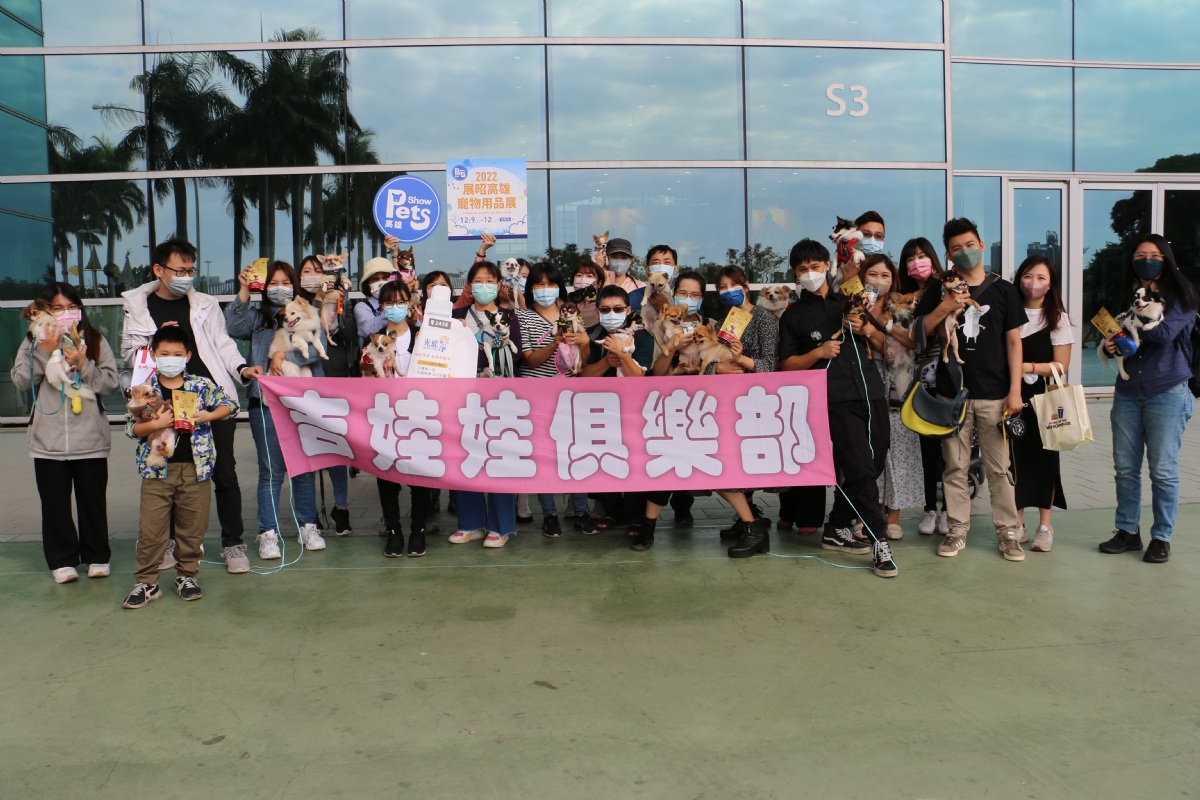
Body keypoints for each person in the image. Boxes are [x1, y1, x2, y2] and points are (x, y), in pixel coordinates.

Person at [120, 237, 260, 574]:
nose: (186, 276)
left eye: (190, 270)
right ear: (159, 270)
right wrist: (155, 340)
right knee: (167, 472)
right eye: (179, 270)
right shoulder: (138, 305)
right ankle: (170, 543)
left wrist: (241, 368)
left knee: (223, 472)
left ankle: (233, 544)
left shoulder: (204, 304)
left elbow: (223, 344)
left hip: (207, 398)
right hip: (163, 403)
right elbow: (129, 353)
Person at [635, 267, 780, 557]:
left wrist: (723, 365)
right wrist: (674, 351)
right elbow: (658, 373)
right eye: (683, 293)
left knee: (718, 465)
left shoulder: (718, 325)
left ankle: (751, 525)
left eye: (695, 294)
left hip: (722, 406)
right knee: (667, 462)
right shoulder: (667, 326)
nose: (688, 299)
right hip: (677, 404)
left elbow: (741, 363)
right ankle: (649, 526)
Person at [778, 238, 897, 578]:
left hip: (871, 391)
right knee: (858, 467)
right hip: (834, 398)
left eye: (815, 266)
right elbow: (787, 364)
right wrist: (818, 353)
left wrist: (865, 328)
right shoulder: (793, 316)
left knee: (874, 461)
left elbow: (882, 342)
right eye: (802, 269)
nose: (810, 273)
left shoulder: (849, 299)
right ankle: (879, 542)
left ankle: (837, 525)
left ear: (827, 266)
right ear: (796, 274)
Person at [913, 218, 1026, 561]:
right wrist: (946, 306)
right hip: (952, 394)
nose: (965, 251)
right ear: (948, 254)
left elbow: (1014, 343)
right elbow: (919, 332)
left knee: (999, 468)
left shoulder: (1004, 289)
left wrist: (1015, 390)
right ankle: (957, 529)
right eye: (956, 248)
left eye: (970, 245)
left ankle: (1008, 532)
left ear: (981, 245)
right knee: (955, 466)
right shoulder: (939, 289)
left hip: (996, 394)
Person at [121, 326, 238, 609]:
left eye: (176, 354)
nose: (170, 359)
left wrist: (209, 415)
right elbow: (131, 429)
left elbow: (231, 405)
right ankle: (147, 583)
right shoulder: (144, 389)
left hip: (196, 469)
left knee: (192, 529)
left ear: (187, 356)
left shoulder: (201, 385)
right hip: (157, 470)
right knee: (151, 530)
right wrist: (157, 424)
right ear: (153, 356)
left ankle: (187, 576)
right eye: (164, 354)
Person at [1098, 234, 1197, 564]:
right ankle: (1127, 531)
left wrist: (1131, 325)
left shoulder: (1181, 297)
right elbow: (1116, 334)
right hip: (1128, 393)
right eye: (1140, 255)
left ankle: (1161, 537)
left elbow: (1165, 334)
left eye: (1153, 255)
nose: (1146, 260)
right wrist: (1112, 342)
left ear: (1166, 260)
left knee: (1163, 470)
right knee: (1125, 469)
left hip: (1167, 391)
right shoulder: (1129, 295)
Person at [11, 283, 120, 583]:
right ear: (45, 311)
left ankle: (97, 557)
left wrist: (84, 364)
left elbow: (111, 383)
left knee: (92, 501)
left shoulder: (95, 339)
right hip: (48, 441)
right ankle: (62, 561)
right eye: (57, 308)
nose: (65, 313)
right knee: (55, 504)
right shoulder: (32, 340)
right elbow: (20, 381)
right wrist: (43, 352)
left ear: (80, 309)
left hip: (90, 439)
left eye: (72, 307)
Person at [226, 260, 329, 561]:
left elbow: (316, 348)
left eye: (285, 282)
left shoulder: (305, 311)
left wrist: (284, 354)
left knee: (304, 468)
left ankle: (308, 526)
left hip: (301, 405)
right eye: (273, 282)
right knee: (270, 470)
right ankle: (268, 532)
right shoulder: (257, 318)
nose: (279, 287)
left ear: (294, 285)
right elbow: (232, 326)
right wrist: (244, 289)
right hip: (265, 403)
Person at [515, 262, 596, 536]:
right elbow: (530, 359)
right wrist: (555, 341)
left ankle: (581, 512)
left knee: (576, 453)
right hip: (535, 396)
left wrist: (584, 343)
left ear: (560, 288)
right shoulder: (522, 317)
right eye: (539, 284)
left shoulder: (573, 315)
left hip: (569, 396)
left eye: (551, 284)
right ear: (531, 288)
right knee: (543, 457)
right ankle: (549, 515)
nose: (545, 289)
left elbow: (582, 362)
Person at [449, 261, 523, 548]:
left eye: (489, 280)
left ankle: (500, 526)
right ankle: (471, 523)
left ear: (498, 284)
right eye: (478, 280)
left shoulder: (509, 316)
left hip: (501, 397)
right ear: (469, 285)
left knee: (500, 457)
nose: (484, 286)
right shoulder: (456, 316)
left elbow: (515, 355)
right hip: (463, 397)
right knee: (465, 456)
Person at [360, 280, 433, 557]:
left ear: (410, 304)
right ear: (381, 306)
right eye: (389, 302)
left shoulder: (423, 336)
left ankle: (418, 530)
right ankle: (393, 531)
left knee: (419, 477)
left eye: (401, 301)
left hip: (419, 415)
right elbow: (364, 377)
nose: (396, 307)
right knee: (387, 476)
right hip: (385, 416)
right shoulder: (373, 341)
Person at [1010, 255, 1073, 552]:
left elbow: (1061, 366)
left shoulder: (1058, 318)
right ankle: (1016, 524)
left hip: (1045, 401)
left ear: (1050, 285)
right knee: (1013, 460)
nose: (1033, 283)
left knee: (1045, 460)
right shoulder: (1008, 311)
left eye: (1041, 278)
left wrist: (1028, 367)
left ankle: (1045, 527)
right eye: (1028, 276)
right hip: (1011, 397)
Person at [861, 254, 925, 540]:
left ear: (893, 280)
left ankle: (894, 514)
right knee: (865, 449)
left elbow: (913, 342)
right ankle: (865, 512)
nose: (879, 280)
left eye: (885, 275)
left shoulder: (902, 307)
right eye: (873, 274)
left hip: (898, 378)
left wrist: (879, 330)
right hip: (864, 377)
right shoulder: (855, 303)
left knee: (899, 444)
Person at [297, 254, 355, 536]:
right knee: (307, 450)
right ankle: (309, 513)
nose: (314, 275)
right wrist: (318, 302)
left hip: (335, 377)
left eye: (318, 271)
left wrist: (340, 303)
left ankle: (341, 507)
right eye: (307, 271)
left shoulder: (340, 297)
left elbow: (350, 333)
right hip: (304, 383)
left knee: (336, 447)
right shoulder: (295, 305)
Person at [897, 237, 949, 536]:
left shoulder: (945, 287)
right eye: (910, 258)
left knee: (951, 449)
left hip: (949, 374)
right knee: (927, 448)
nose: (917, 262)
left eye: (921, 256)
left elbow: (927, 332)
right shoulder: (904, 296)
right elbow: (915, 337)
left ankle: (950, 509)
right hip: (921, 378)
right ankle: (930, 508)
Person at [353, 256, 398, 340]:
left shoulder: (403, 303)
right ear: (367, 284)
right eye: (375, 279)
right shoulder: (362, 307)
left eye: (385, 277)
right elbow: (369, 331)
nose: (381, 282)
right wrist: (391, 308)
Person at [602, 237, 646, 312]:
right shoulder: (597, 284)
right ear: (606, 258)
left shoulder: (640, 287)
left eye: (624, 258)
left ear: (630, 260)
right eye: (614, 257)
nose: (619, 262)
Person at [570, 261, 606, 328]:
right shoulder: (565, 302)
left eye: (589, 276)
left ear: (599, 283)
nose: (583, 279)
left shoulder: (603, 306)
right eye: (579, 275)